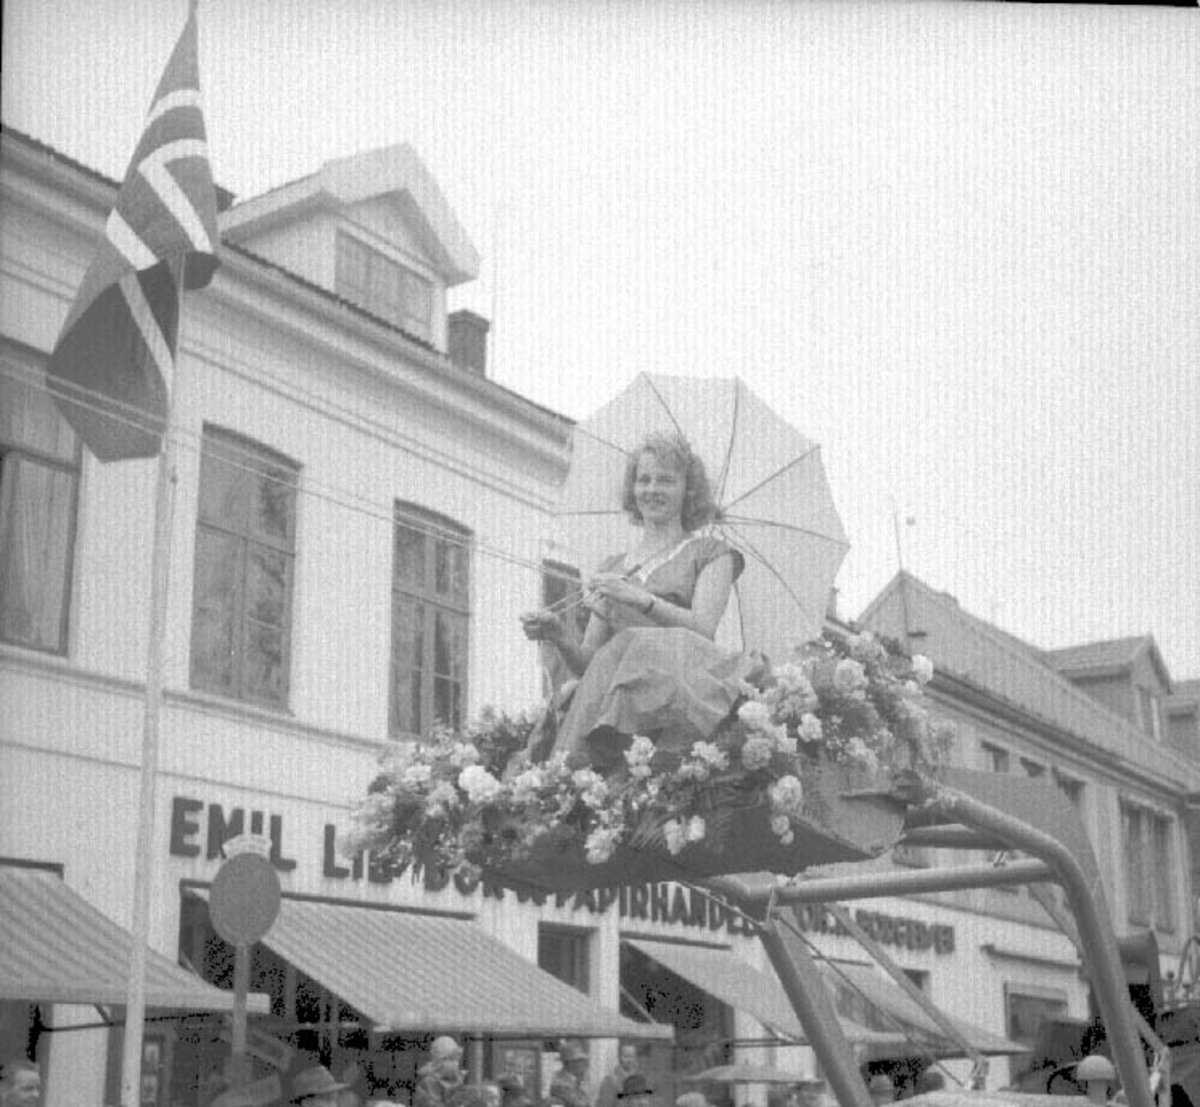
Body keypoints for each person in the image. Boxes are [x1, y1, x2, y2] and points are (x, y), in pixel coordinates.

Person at [521, 432, 754, 770]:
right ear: (632, 489)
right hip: (617, 696)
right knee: (613, 656)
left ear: (688, 490)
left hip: (675, 690)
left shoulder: (711, 553)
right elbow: (589, 665)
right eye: (643, 480)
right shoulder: (614, 568)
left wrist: (640, 599)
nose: (652, 490)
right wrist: (558, 634)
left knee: (632, 640)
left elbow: (703, 628)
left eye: (666, 480)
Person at [414, 1037, 465, 1107]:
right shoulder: (429, 1082)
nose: (455, 1064)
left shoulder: (455, 1079)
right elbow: (434, 1103)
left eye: (457, 1060)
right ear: (439, 1062)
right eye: (451, 1060)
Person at [548, 1040, 592, 1107]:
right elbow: (580, 1103)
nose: (582, 1065)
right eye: (579, 1061)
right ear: (569, 1063)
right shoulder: (560, 1083)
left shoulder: (575, 1080)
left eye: (582, 1061)